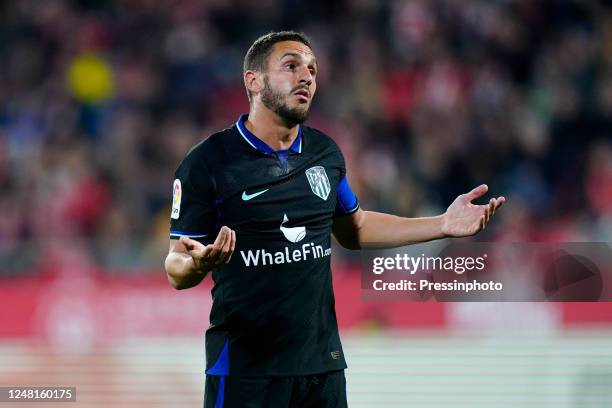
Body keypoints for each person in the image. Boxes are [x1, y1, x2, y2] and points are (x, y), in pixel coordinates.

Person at [164, 31, 505, 408]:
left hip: (321, 368)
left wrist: (441, 224)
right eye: (291, 66)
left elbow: (354, 227)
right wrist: (195, 263)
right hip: (245, 370)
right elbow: (175, 264)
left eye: (312, 69)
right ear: (254, 80)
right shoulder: (208, 162)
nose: (306, 77)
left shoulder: (324, 153)